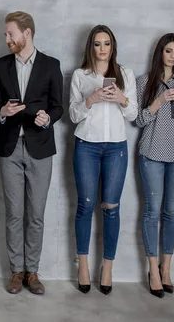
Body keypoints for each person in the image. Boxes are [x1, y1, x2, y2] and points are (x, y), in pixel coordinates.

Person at [0, 11, 64, 295]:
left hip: (40, 149)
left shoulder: (51, 65)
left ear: (27, 33)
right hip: (9, 148)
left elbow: (58, 106)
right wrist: (3, 112)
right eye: (6, 34)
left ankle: (33, 271)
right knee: (13, 214)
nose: (6, 39)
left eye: (10, 34)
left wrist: (48, 118)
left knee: (36, 214)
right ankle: (16, 271)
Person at [69, 24, 137, 295]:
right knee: (85, 206)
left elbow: (133, 114)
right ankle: (82, 265)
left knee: (111, 207)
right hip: (86, 146)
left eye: (106, 43)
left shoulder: (126, 74)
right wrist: (92, 98)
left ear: (113, 46)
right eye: (97, 44)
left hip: (116, 149)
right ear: (91, 47)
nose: (102, 49)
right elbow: (73, 115)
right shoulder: (80, 75)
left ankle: (107, 267)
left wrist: (121, 98)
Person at [136, 33, 174, 298]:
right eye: (168, 51)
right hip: (151, 154)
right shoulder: (144, 82)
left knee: (172, 212)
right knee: (152, 212)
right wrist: (160, 100)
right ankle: (152, 269)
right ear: (160, 52)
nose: (172, 56)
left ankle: (166, 269)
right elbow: (138, 121)